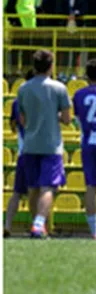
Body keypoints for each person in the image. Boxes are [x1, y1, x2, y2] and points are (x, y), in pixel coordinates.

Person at [16, 49, 71, 239]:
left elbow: (21, 119)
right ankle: (39, 224)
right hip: (51, 145)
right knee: (48, 187)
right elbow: (67, 119)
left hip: (30, 144)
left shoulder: (23, 88)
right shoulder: (59, 88)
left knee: (33, 188)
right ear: (51, 66)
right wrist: (53, 115)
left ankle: (37, 225)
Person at [70, 59, 96, 239]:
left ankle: (95, 231)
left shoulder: (78, 94)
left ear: (86, 75)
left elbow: (77, 117)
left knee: (91, 186)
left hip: (87, 142)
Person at [3, 72, 31, 238]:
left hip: (23, 152)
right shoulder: (42, 99)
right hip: (40, 150)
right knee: (44, 190)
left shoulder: (17, 102)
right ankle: (40, 226)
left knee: (17, 192)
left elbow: (13, 125)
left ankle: (7, 225)